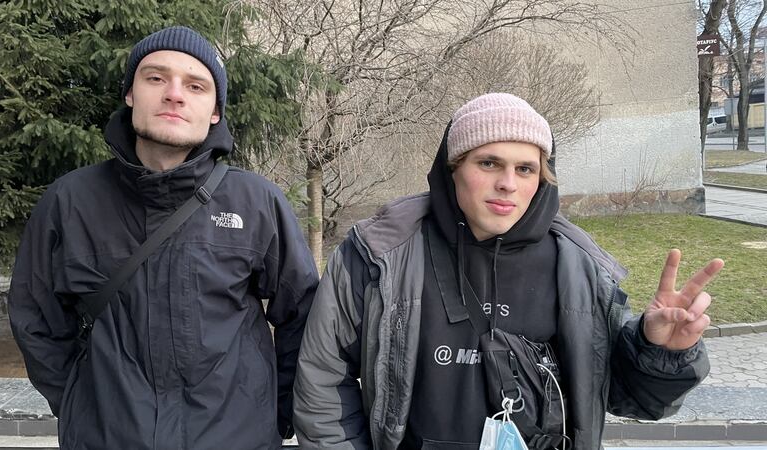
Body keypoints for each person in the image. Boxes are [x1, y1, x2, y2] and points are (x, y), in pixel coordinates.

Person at [292, 93, 724, 449]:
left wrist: (660, 352)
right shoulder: (379, 253)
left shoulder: (579, 267)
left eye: (526, 169)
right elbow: (323, 380)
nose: (508, 184)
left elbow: (626, 398)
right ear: (453, 168)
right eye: (489, 163)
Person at [8, 26, 318, 450]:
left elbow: (301, 314)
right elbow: (36, 318)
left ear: (214, 112)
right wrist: (78, 403)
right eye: (156, 78)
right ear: (130, 94)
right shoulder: (69, 202)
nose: (175, 94)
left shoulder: (256, 201)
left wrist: (274, 414)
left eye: (195, 85)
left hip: (236, 438)